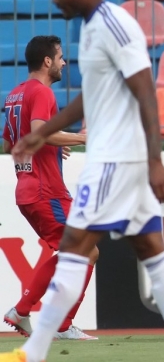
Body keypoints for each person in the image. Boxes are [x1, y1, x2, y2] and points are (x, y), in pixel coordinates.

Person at [0, 0, 164, 361]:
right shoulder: (92, 28)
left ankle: (33, 351)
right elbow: (89, 97)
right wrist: (41, 133)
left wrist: (155, 160)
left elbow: (146, 91)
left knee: (73, 249)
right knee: (151, 249)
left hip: (115, 161)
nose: (55, 1)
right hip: (120, 159)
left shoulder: (114, 26)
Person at [2, 35, 96, 341]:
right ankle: (38, 315)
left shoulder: (15, 94)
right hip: (46, 191)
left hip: (28, 190)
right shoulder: (42, 92)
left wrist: (52, 146)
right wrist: (82, 138)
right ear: (47, 61)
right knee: (83, 250)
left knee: (82, 250)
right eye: (60, 57)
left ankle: (50, 319)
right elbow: (40, 132)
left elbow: (11, 143)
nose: (64, 63)